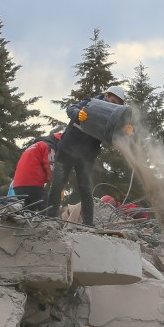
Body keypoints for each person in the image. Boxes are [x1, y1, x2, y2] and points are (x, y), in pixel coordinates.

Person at [46, 86, 125, 226]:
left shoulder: (111, 117)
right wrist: (78, 114)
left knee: (86, 188)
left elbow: (115, 137)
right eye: (112, 100)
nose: (113, 105)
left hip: (87, 156)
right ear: (106, 96)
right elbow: (71, 108)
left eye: (116, 104)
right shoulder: (90, 103)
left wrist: (125, 130)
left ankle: (88, 223)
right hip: (68, 149)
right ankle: (50, 218)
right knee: (58, 183)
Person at [12, 132, 62, 211]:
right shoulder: (48, 146)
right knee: (45, 208)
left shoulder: (34, 146)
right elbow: (50, 165)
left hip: (17, 186)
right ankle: (48, 222)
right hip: (33, 184)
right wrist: (56, 183)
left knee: (28, 211)